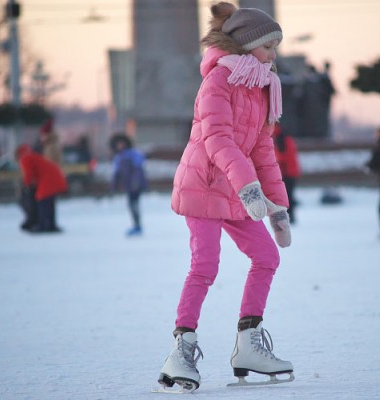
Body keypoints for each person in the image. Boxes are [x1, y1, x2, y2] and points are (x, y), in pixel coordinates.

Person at [158, 2, 293, 392]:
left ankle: (249, 343)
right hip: (204, 186)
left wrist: (277, 206)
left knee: (267, 257)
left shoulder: (262, 87)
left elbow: (262, 150)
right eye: (268, 45)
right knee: (205, 266)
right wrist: (249, 188)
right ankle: (181, 349)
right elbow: (217, 139)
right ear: (246, 44)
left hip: (236, 190)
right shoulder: (217, 81)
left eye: (276, 46)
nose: (273, 54)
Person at [15, 144, 67, 233]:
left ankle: (43, 225)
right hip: (55, 176)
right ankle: (51, 224)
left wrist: (26, 185)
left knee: (42, 200)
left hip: (48, 179)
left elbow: (28, 174)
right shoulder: (33, 156)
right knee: (49, 202)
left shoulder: (25, 158)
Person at [109, 133, 147, 236]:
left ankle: (137, 226)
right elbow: (116, 173)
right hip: (128, 185)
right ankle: (136, 225)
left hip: (135, 185)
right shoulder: (119, 157)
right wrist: (114, 185)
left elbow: (138, 169)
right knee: (131, 205)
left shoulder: (133, 154)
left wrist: (136, 182)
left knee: (134, 205)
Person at [273, 124, 301, 223]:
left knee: (286, 196)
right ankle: (289, 216)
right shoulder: (286, 139)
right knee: (289, 195)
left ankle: (288, 217)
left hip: (286, 172)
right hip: (290, 172)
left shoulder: (280, 140)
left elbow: (282, 157)